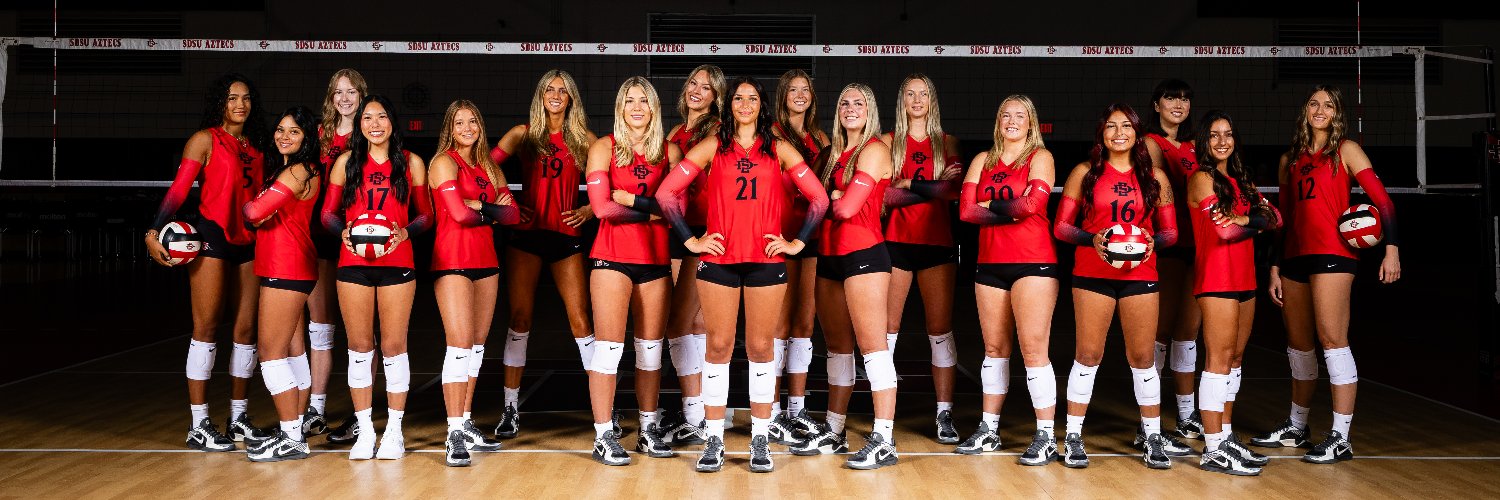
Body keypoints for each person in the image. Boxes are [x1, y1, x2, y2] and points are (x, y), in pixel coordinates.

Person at [657, 75, 828, 473]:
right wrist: (691, 241)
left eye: (752, 98)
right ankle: (714, 438)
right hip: (717, 260)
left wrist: (796, 243)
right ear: (729, 104)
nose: (745, 103)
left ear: (762, 105)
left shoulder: (780, 148)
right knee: (717, 347)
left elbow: (819, 198)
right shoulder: (714, 145)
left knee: (761, 348)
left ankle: (760, 439)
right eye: (738, 97)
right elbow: (667, 194)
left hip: (767, 260)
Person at [1253, 85, 1401, 464]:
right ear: (1305, 110)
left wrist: (1391, 248)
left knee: (1332, 340)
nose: (1320, 110)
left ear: (1337, 113)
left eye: (1328, 105)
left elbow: (1382, 201)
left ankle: (1340, 436)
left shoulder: (1346, 150)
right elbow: (1281, 220)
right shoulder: (1290, 159)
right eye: (1314, 104)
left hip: (1334, 255)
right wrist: (1273, 268)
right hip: (1293, 259)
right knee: (1299, 346)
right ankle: (1297, 426)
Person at [1052, 103, 1183, 469]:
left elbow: (1171, 232)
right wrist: (1094, 239)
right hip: (1093, 275)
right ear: (1102, 133)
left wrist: (1151, 242)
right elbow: (1061, 227)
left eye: (1126, 126)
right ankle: (1074, 436)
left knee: (1142, 359)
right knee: (1088, 355)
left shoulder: (1155, 176)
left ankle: (1152, 436)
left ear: (1137, 133)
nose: (1119, 132)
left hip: (1141, 275)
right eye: (1111, 126)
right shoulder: (1085, 172)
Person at [145, 73, 270, 452]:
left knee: (246, 332)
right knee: (206, 329)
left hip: (249, 241)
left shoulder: (257, 144)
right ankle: (199, 424)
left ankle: (238, 418)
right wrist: (153, 232)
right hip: (212, 238)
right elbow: (180, 190)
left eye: (246, 98)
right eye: (232, 98)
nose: (240, 105)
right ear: (220, 102)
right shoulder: (205, 140)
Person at [789, 83, 901, 471]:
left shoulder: (874, 150)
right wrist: (830, 197)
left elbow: (848, 207)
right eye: (844, 104)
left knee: (873, 348)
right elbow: (819, 202)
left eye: (859, 103)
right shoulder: (831, 155)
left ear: (870, 110)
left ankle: (884, 439)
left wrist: (831, 199)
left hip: (865, 255)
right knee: (837, 349)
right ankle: (834, 430)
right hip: (830, 257)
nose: (850, 108)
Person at [320, 94, 432, 460]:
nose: (374, 124)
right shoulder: (345, 163)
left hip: (398, 262)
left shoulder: (412, 162)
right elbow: (327, 214)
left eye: (381, 116)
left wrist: (405, 233)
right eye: (367, 118)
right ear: (360, 125)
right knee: (358, 349)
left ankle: (395, 431)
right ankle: (365, 431)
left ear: (392, 122)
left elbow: (426, 216)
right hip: (353, 264)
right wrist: (343, 231)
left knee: (394, 347)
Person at [488, 70, 598, 439]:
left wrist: (589, 210)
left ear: (571, 99)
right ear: (540, 95)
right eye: (549, 89)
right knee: (519, 318)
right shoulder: (524, 134)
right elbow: (484, 166)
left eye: (562, 91)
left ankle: (603, 408)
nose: (555, 95)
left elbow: (614, 182)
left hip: (566, 236)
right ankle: (510, 408)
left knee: (581, 320)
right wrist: (509, 200)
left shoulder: (583, 138)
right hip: (526, 236)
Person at [954, 95, 1060, 465]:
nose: (1012, 121)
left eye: (1020, 116)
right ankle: (989, 429)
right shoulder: (983, 160)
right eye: (1005, 115)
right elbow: (966, 212)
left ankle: (1046, 435)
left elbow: (1033, 206)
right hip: (990, 264)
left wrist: (992, 208)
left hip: (1033, 262)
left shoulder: (1040, 158)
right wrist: (1008, 209)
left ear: (1031, 122)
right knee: (995, 350)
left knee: (1034, 350)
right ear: (998, 121)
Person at [582, 77, 683, 465]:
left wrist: (633, 200)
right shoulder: (603, 148)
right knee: (608, 351)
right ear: (620, 107)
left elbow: (675, 212)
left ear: (654, 108)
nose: (637, 107)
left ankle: (647, 428)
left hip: (655, 262)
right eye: (629, 101)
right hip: (611, 258)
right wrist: (649, 208)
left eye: (644, 100)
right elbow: (604, 209)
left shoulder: (669, 151)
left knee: (650, 353)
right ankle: (604, 434)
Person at [1187, 110, 1281, 475]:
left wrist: (1245, 219)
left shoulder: (1241, 181)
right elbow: (1224, 234)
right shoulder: (1201, 179)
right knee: (1218, 360)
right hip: (1217, 280)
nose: (1222, 141)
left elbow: (1278, 219)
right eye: (1214, 135)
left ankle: (1225, 436)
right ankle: (1212, 448)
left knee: (1236, 359)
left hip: (1245, 280)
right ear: (1203, 142)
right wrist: (1255, 221)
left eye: (1228, 134)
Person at [428, 99, 519, 466]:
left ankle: (465, 421)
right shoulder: (442, 162)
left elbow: (512, 215)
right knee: (460, 344)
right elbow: (458, 215)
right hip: (452, 261)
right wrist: (486, 208)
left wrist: (479, 206)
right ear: (450, 127)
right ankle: (453, 432)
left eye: (473, 122)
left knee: (478, 347)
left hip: (487, 263)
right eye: (460, 122)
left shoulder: (488, 166)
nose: (467, 128)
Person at [879, 74, 963, 443]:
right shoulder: (886, 142)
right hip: (895, 243)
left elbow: (952, 191)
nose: (917, 99)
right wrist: (933, 188)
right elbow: (884, 199)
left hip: (936, 246)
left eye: (923, 93)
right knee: (887, 333)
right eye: (909, 93)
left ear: (932, 100)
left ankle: (944, 414)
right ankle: (885, 418)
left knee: (940, 333)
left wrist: (908, 184)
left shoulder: (948, 143)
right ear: (902, 100)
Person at [241, 106, 322, 461]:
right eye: (280, 129)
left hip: (286, 268)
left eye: (294, 132)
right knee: (292, 351)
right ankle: (296, 425)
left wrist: (258, 204)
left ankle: (291, 435)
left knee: (270, 355)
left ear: (307, 138)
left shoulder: (299, 169)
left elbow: (253, 213)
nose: (284, 136)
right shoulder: (295, 170)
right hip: (291, 266)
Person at [659, 64, 726, 445]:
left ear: (717, 96)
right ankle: (699, 412)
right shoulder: (674, 133)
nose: (697, 90)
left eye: (707, 87)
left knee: (680, 324)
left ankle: (694, 413)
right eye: (693, 84)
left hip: (703, 231)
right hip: (678, 230)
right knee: (694, 324)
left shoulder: (716, 132)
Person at [769, 68, 829, 441]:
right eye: (792, 89)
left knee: (804, 324)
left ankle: (796, 407)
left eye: (805, 89)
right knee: (778, 325)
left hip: (811, 234)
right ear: (782, 96)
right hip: (779, 232)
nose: (800, 94)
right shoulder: (773, 134)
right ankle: (773, 409)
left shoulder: (822, 137)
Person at [1143, 79, 1205, 439]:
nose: (1178, 103)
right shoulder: (1152, 143)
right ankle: (1148, 417)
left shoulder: (1196, 146)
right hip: (1166, 242)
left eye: (1184, 98)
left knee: (1188, 333)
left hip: (1198, 243)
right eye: (1170, 97)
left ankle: (1186, 415)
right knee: (1161, 331)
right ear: (1157, 105)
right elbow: (1156, 182)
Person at [311, 68, 367, 442]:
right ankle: (315, 410)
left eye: (351, 92)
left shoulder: (372, 132)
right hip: (318, 228)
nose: (345, 98)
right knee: (320, 323)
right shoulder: (317, 134)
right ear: (331, 98)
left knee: (357, 330)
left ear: (362, 95)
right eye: (338, 92)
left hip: (360, 233)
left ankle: (359, 415)